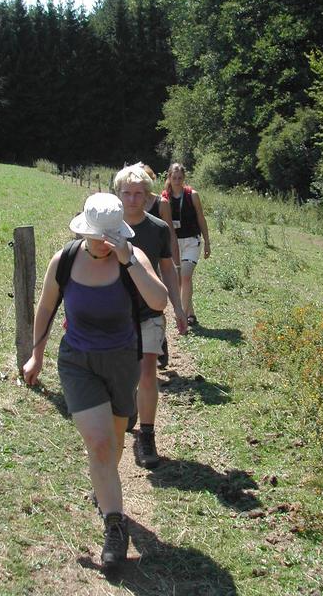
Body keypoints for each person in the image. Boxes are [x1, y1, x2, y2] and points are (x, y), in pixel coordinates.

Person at [22, 193, 167, 571]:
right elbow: (46, 306)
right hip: (77, 362)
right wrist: (36, 354)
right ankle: (115, 528)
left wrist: (128, 260)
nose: (102, 242)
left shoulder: (132, 259)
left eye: (109, 237)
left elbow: (158, 301)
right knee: (100, 444)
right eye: (96, 236)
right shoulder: (66, 260)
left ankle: (105, 486)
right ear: (83, 231)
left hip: (121, 361)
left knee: (115, 442)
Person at [113, 164, 188, 469]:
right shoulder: (108, 228)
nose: (132, 200)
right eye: (127, 194)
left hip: (149, 311)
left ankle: (147, 436)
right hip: (115, 314)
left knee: (147, 373)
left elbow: (167, 269)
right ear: (117, 195)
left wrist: (178, 307)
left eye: (138, 194)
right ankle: (128, 407)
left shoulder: (158, 228)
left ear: (148, 196)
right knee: (124, 374)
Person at [139, 162, 180, 369]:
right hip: (132, 265)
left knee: (154, 306)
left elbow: (170, 234)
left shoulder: (161, 204)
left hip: (155, 264)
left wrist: (175, 261)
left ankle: (160, 343)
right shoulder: (125, 204)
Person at [161, 163, 211, 326]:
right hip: (173, 243)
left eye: (180, 178)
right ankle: (191, 314)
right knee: (179, 281)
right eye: (174, 178)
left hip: (191, 241)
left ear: (184, 178)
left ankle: (180, 315)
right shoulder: (164, 197)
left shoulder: (192, 195)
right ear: (169, 177)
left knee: (186, 276)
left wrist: (207, 242)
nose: (177, 181)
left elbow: (201, 218)